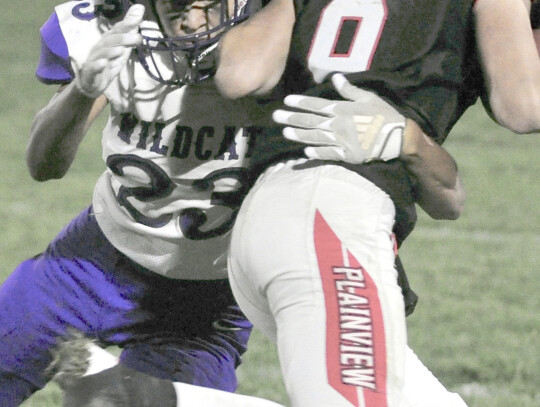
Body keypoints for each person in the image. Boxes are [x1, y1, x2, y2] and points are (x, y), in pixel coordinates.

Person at [214, 0, 540, 406]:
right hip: (331, 224)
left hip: (266, 222)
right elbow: (524, 107)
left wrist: (407, 138)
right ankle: (137, 393)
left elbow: (239, 75)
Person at [0, 0, 275, 404]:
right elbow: (44, 165)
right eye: (178, 4)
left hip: (207, 300)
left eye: (210, 4)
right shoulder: (108, 23)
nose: (194, 20)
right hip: (92, 261)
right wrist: (82, 90)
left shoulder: (285, 30)